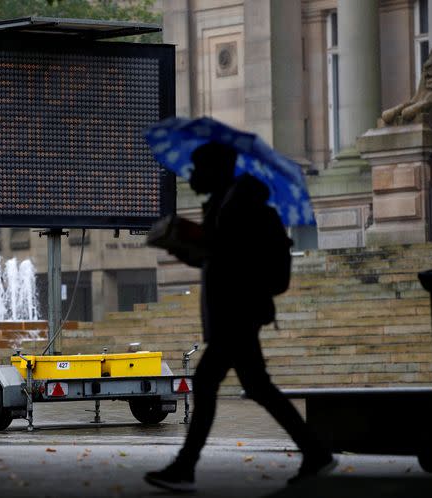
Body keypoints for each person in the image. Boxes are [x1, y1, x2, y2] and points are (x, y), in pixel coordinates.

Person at [144, 142, 335, 492]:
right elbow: (217, 259)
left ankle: (185, 466)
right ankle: (315, 451)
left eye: (197, 170)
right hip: (235, 312)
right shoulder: (226, 204)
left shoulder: (239, 206)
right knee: (257, 386)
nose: (192, 177)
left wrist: (196, 242)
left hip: (237, 313)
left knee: (208, 382)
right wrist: (184, 248)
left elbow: (232, 260)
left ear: (215, 170)